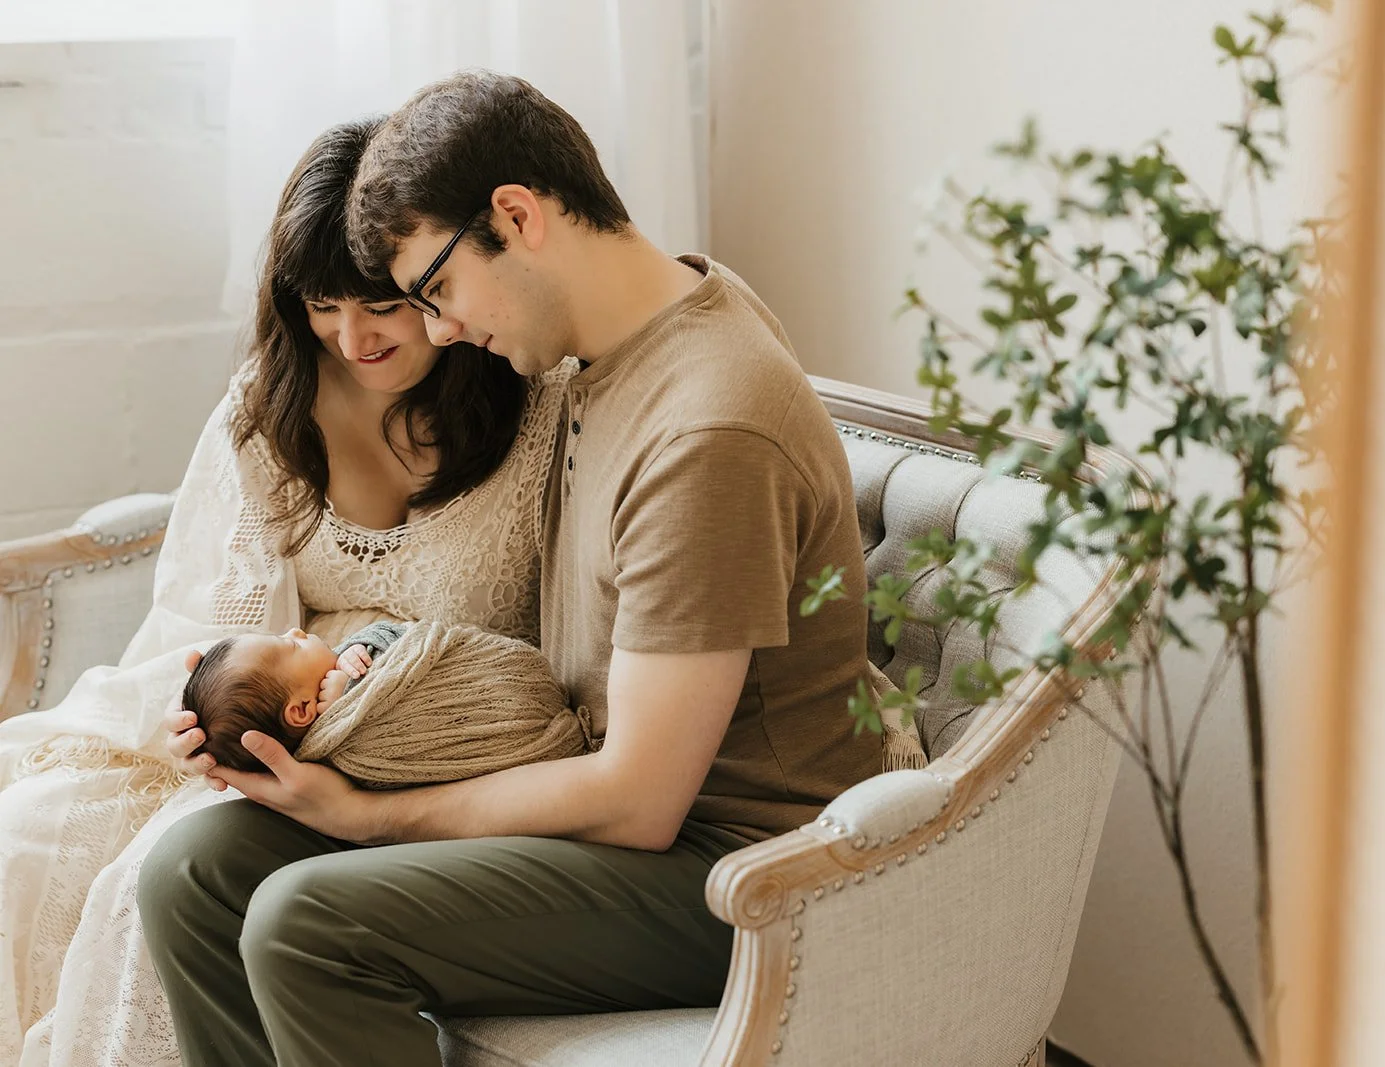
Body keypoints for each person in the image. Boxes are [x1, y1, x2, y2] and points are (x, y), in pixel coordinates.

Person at [141, 70, 883, 1066]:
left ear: (518, 215)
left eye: (437, 290)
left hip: (733, 863)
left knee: (307, 922)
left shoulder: (707, 429)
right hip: (613, 814)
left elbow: (638, 797)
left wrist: (366, 816)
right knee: (191, 867)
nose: (440, 330)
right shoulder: (616, 344)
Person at [0, 115, 571, 1066]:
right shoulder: (272, 406)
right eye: (319, 305)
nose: (352, 338)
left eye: (379, 305)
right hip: (273, 707)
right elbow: (210, 619)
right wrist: (204, 707)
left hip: (430, 736)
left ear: (438, 285)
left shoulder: (534, 391)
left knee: (149, 887)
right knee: (24, 839)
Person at [183, 621, 592, 786]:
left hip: (489, 673)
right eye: (289, 643)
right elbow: (402, 736)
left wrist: (365, 651)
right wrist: (355, 692)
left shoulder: (347, 661)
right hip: (516, 718)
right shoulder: (340, 757)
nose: (297, 629)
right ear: (302, 711)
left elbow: (402, 640)